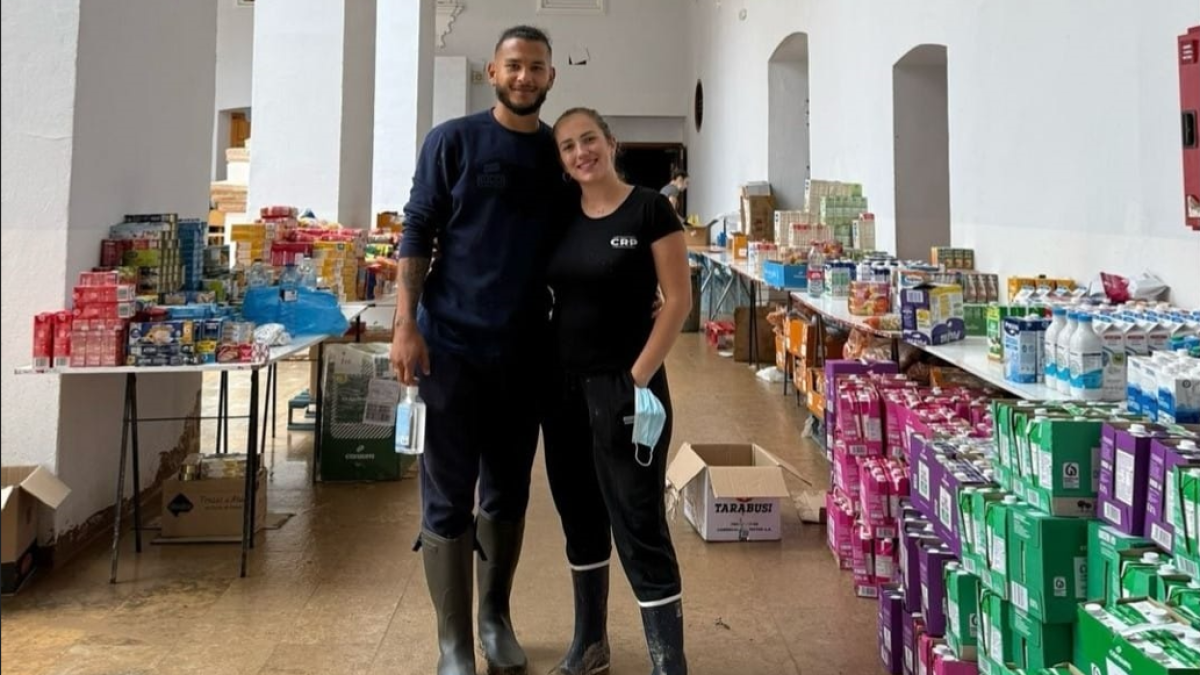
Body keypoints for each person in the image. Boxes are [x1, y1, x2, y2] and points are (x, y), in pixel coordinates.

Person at [390, 25, 564, 675]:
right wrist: (406, 324)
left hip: (524, 352)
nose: (524, 77)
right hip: (448, 349)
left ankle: (495, 618)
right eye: (514, 65)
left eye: (536, 68)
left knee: (509, 491)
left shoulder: (555, 156)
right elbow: (417, 231)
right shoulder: (453, 142)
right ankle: (454, 642)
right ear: (492, 71)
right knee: (446, 493)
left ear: (551, 78)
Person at [542, 107, 692, 675]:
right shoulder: (561, 214)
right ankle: (591, 645)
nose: (581, 152)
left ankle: (668, 662)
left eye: (589, 140)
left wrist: (635, 379)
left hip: (628, 389)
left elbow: (677, 301)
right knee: (578, 516)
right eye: (567, 146)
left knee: (638, 521)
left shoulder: (651, 207)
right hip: (562, 390)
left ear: (610, 142)